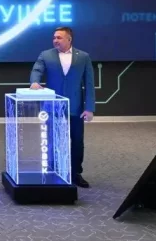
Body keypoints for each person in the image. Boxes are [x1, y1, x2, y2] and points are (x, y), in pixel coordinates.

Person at [29, 26, 94, 188]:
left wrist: (89, 108)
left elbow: (89, 84)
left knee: (77, 141)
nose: (55, 40)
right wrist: (35, 82)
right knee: (52, 140)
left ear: (69, 39)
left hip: (76, 108)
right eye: (54, 38)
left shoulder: (83, 57)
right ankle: (54, 171)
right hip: (53, 107)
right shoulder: (46, 55)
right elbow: (37, 70)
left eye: (59, 37)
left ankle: (76, 173)